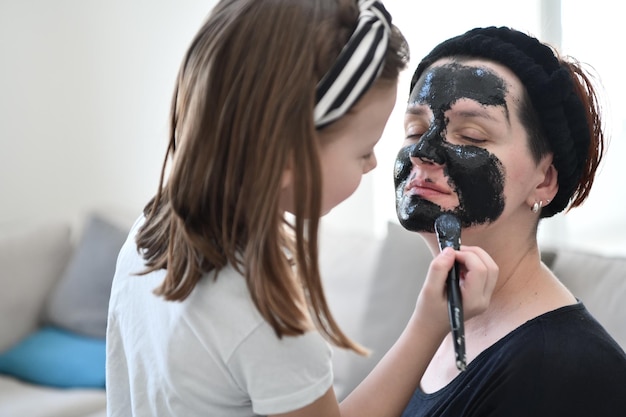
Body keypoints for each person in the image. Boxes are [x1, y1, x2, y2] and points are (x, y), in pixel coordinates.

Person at [105, 1, 498, 416]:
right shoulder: (267, 318)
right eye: (364, 150)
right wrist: (428, 325)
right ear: (289, 158)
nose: (374, 164)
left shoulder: (150, 230)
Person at [394, 26, 626, 416]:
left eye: (471, 135)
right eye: (414, 129)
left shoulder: (566, 370)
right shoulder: (440, 324)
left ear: (545, 179)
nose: (423, 151)